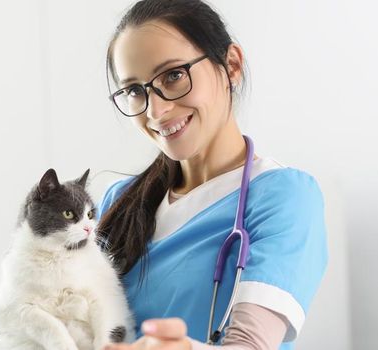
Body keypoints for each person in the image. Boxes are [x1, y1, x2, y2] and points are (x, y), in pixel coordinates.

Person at [95, 1, 328, 349]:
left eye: (173, 76)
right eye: (135, 91)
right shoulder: (120, 202)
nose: (156, 111)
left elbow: (250, 344)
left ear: (231, 65)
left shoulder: (283, 196)